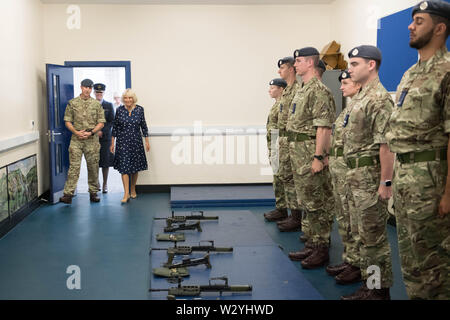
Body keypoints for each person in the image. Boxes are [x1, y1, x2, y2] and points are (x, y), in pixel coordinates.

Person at [386, 0, 450, 300]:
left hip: (430, 179)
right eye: (412, 20)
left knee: (434, 265)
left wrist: (448, 193)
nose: (411, 26)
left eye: (419, 21)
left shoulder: (447, 72)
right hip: (405, 177)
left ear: (440, 28)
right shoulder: (410, 73)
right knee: (411, 260)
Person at [341, 45, 394, 300]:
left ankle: (378, 290)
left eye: (354, 64)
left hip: (370, 178)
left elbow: (386, 145)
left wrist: (386, 182)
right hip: (355, 177)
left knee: (373, 239)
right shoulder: (360, 98)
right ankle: (368, 283)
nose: (349, 69)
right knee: (361, 234)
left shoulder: (379, 99)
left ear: (371, 65)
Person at [285, 47, 336, 269]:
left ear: (310, 63)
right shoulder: (302, 90)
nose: (295, 65)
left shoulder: (319, 90)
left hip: (309, 152)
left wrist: (318, 156)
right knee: (307, 199)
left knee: (317, 202)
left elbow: (324, 128)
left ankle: (321, 248)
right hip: (298, 152)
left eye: (298, 61)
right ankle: (313, 243)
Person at [325, 70, 362, 285]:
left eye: (345, 83)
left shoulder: (363, 106)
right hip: (340, 172)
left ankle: (359, 267)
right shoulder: (349, 109)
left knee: (356, 224)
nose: (341, 87)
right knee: (344, 220)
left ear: (357, 85)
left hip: (354, 174)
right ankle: (350, 260)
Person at [265, 57, 303, 235]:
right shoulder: (287, 95)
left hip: (290, 143)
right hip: (278, 142)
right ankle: (284, 209)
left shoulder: (297, 91)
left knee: (290, 181)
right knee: (281, 179)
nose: (279, 71)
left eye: (282, 68)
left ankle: (295, 216)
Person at [59, 79, 106, 204]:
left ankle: (93, 192)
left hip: (92, 140)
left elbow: (101, 122)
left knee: (93, 167)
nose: (87, 90)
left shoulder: (96, 104)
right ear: (81, 87)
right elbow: (67, 121)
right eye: (85, 87)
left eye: (90, 88)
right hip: (77, 140)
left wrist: (91, 132)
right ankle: (68, 194)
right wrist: (76, 132)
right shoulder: (72, 103)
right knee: (74, 167)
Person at [110, 89, 150, 203]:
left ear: (133, 99)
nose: (128, 100)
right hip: (122, 142)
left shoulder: (139, 110)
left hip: (136, 142)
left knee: (134, 167)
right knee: (124, 168)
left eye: (130, 98)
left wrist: (147, 141)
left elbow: (144, 126)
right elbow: (115, 127)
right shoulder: (119, 110)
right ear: (123, 99)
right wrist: (112, 143)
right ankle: (126, 193)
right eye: (126, 98)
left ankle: (133, 188)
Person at [266, 78, 287, 214]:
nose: (270, 90)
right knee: (277, 179)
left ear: (281, 89)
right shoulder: (276, 105)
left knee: (282, 178)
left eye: (273, 88)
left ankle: (284, 209)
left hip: (280, 146)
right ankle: (280, 208)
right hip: (274, 145)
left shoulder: (284, 105)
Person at [93, 83, 115, 193]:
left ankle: (105, 184)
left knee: (105, 162)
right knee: (94, 162)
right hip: (92, 138)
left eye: (101, 92)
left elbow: (111, 121)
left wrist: (102, 131)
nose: (99, 94)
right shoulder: (90, 105)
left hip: (105, 138)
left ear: (103, 93)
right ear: (94, 93)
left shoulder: (109, 105)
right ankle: (96, 183)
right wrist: (95, 131)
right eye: (97, 92)